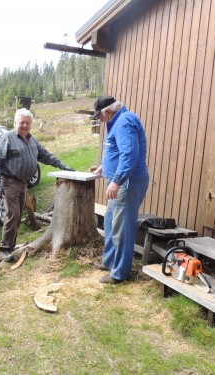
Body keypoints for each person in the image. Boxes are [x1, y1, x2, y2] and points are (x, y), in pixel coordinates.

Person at [0, 108, 74, 262]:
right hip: (9, 182)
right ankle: (4, 249)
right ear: (15, 122)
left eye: (27, 123)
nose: (25, 125)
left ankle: (11, 246)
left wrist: (63, 166)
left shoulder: (32, 140)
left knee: (17, 215)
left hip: (23, 184)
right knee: (13, 215)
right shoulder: (7, 138)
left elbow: (46, 156)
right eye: (22, 122)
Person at [91, 95, 149, 284]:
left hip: (127, 182)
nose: (100, 120)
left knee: (122, 228)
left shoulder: (124, 122)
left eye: (100, 116)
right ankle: (109, 262)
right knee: (110, 222)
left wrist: (117, 180)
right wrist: (103, 166)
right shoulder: (116, 121)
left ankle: (120, 273)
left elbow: (130, 154)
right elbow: (116, 150)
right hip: (121, 181)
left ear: (108, 111)